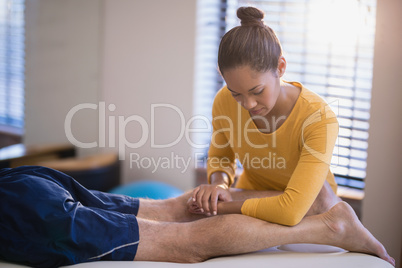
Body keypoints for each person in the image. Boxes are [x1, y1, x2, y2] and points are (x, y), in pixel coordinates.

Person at [0, 166, 395, 267]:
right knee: (175, 209)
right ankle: (314, 203)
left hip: (21, 210)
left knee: (185, 246)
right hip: (23, 184)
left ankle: (327, 226)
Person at [190, 6, 343, 226]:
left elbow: (291, 212)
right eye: (237, 94)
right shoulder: (223, 101)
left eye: (257, 91)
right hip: (253, 195)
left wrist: (224, 207)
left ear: (280, 68)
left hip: (311, 209)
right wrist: (219, 185)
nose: (248, 104)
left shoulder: (318, 117)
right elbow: (221, 157)